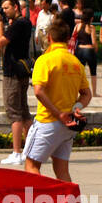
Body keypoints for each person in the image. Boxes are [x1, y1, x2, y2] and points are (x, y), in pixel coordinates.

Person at [22, 16, 91, 181]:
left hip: (48, 122)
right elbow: (87, 93)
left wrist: (58, 113)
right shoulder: (76, 63)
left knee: (31, 166)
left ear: (50, 38)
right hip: (68, 125)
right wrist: (75, 108)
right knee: (62, 171)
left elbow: (38, 91)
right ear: (68, 39)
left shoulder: (45, 60)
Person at [0, 0, 34, 166]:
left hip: (12, 72)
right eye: (2, 8)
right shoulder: (25, 23)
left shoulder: (18, 24)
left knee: (14, 112)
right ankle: (31, 151)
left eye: (6, 8)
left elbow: (0, 42)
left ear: (16, 7)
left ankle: (16, 152)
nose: (4, 11)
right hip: (22, 70)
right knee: (24, 111)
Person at [72, 10, 99, 98]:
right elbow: (94, 42)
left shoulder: (77, 26)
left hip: (79, 50)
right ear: (91, 18)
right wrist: (96, 49)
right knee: (93, 72)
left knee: (79, 72)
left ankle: (77, 92)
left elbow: (73, 38)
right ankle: (94, 93)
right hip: (89, 49)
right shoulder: (91, 27)